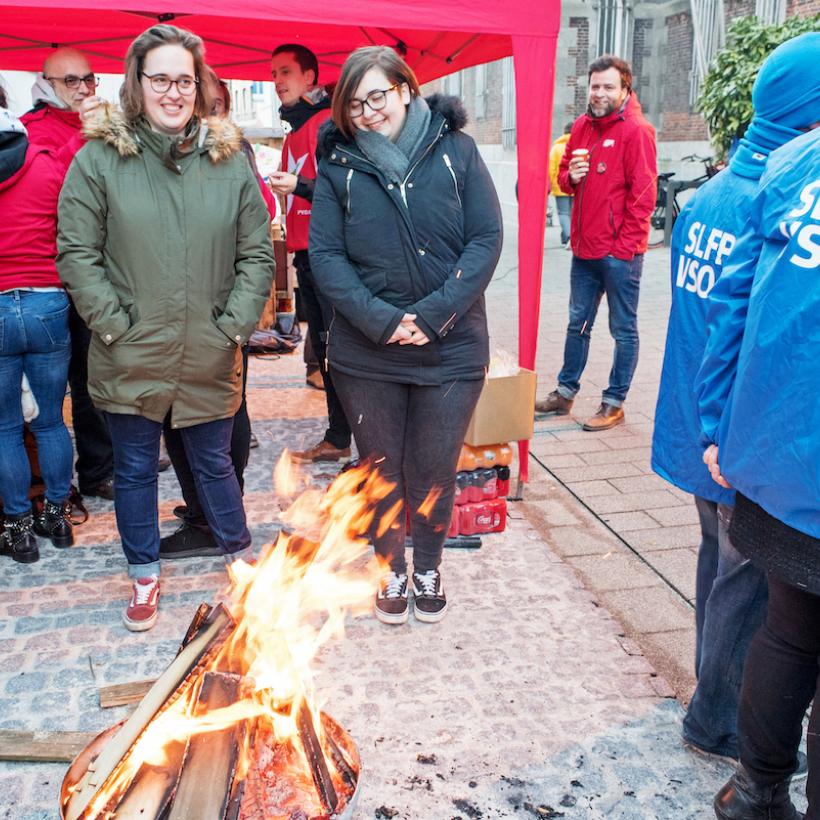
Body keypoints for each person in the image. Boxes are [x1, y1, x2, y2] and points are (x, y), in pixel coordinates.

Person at [56, 24, 275, 631]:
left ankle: (238, 556)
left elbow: (256, 254)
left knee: (215, 464)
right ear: (138, 84)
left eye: (185, 79)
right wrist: (114, 325)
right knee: (132, 469)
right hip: (129, 349)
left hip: (207, 346)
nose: (173, 92)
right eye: (161, 80)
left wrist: (232, 326)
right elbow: (77, 251)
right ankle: (144, 573)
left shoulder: (228, 162)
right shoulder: (99, 159)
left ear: (200, 86)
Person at [653, 33, 820, 773]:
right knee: (755, 595)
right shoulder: (779, 196)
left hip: (702, 430)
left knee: (719, 572)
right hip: (743, 444)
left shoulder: (717, 192)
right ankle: (718, 718)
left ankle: (709, 691)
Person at [310, 46, 502, 625]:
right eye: (356, 102)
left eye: (379, 96)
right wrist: (385, 320)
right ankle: (391, 568)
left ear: (405, 89)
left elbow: (486, 239)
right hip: (367, 354)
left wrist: (432, 315)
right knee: (382, 469)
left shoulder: (457, 152)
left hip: (452, 347)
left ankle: (429, 564)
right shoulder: (339, 166)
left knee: (434, 467)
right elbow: (325, 255)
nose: (369, 112)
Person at [696, 121, 820, 820]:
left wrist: (719, 423)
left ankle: (754, 792)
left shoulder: (795, 161)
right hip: (793, 455)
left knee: (789, 628)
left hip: (780, 454)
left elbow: (733, 304)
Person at [159, 66, 276, 559]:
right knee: (192, 415)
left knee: (216, 417)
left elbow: (258, 228)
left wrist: (234, 321)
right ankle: (211, 508)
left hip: (216, 310)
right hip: (182, 312)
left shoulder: (228, 152)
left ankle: (215, 516)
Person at [534, 55, 656, 431]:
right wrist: (570, 175)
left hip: (619, 255)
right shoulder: (583, 126)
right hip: (584, 249)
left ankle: (614, 402)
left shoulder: (637, 131)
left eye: (608, 86)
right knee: (577, 324)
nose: (599, 93)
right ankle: (565, 393)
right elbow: (565, 176)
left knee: (623, 330)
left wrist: (624, 248)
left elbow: (644, 196)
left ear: (625, 90)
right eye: (595, 86)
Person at [20, 48, 117, 500]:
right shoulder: (29, 128)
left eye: (89, 79)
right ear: (47, 85)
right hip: (59, 271)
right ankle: (66, 482)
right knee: (65, 381)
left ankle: (105, 461)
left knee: (104, 369)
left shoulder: (108, 122)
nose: (83, 89)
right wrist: (83, 136)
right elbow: (48, 185)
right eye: (71, 81)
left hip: (111, 262)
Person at [269, 43, 352, 464]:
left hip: (330, 256)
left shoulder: (325, 124)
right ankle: (338, 436)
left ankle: (352, 438)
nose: (277, 81)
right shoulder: (295, 127)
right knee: (324, 352)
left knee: (340, 352)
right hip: (307, 256)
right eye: (274, 73)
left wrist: (298, 187)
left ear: (310, 78)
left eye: (286, 72)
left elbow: (349, 194)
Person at [0, 99, 74, 563]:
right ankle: (58, 517)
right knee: (49, 420)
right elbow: (72, 228)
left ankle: (17, 527)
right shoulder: (45, 164)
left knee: (5, 426)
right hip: (47, 298)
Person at [549, 122, 573, 247]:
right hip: (576, 185)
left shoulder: (556, 148)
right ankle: (568, 237)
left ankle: (568, 237)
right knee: (574, 213)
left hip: (560, 186)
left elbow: (551, 168)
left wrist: (553, 184)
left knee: (563, 213)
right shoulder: (578, 145)